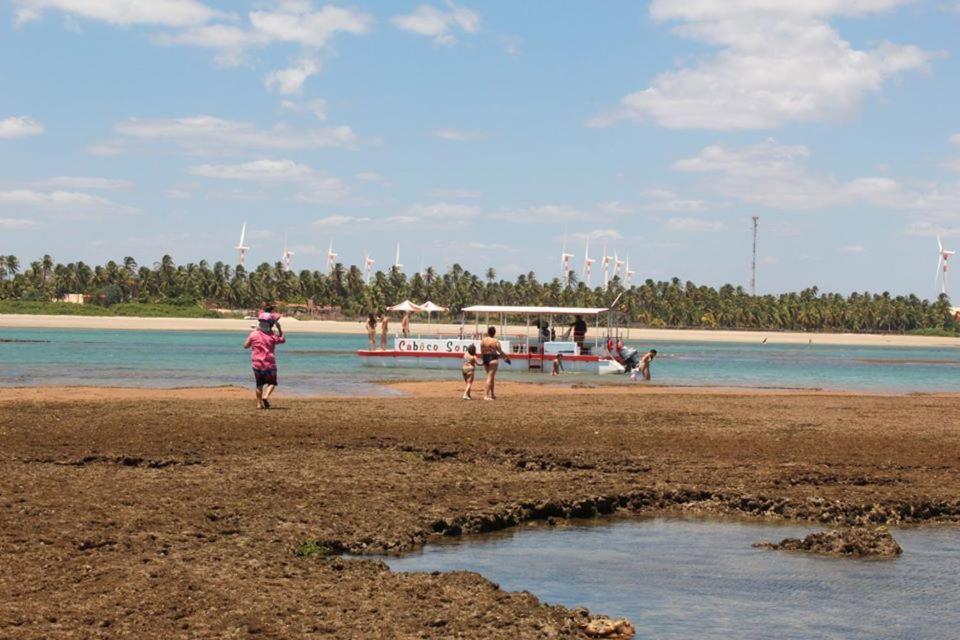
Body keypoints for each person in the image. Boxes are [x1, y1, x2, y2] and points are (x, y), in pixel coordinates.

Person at [243, 317, 286, 410]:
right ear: (270, 327)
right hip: (269, 363)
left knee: (259, 384)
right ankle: (265, 396)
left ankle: (259, 404)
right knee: (272, 383)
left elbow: (245, 346)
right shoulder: (272, 336)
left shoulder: (254, 334)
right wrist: (279, 329)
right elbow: (282, 340)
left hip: (257, 363)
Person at [480, 326, 511, 401]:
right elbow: (500, 352)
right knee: (490, 377)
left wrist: (483, 359)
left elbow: (482, 351)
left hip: (485, 358)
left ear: (488, 332)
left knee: (491, 377)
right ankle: (486, 395)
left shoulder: (483, 340)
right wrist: (506, 357)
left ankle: (492, 394)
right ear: (494, 333)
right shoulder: (496, 341)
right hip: (493, 359)